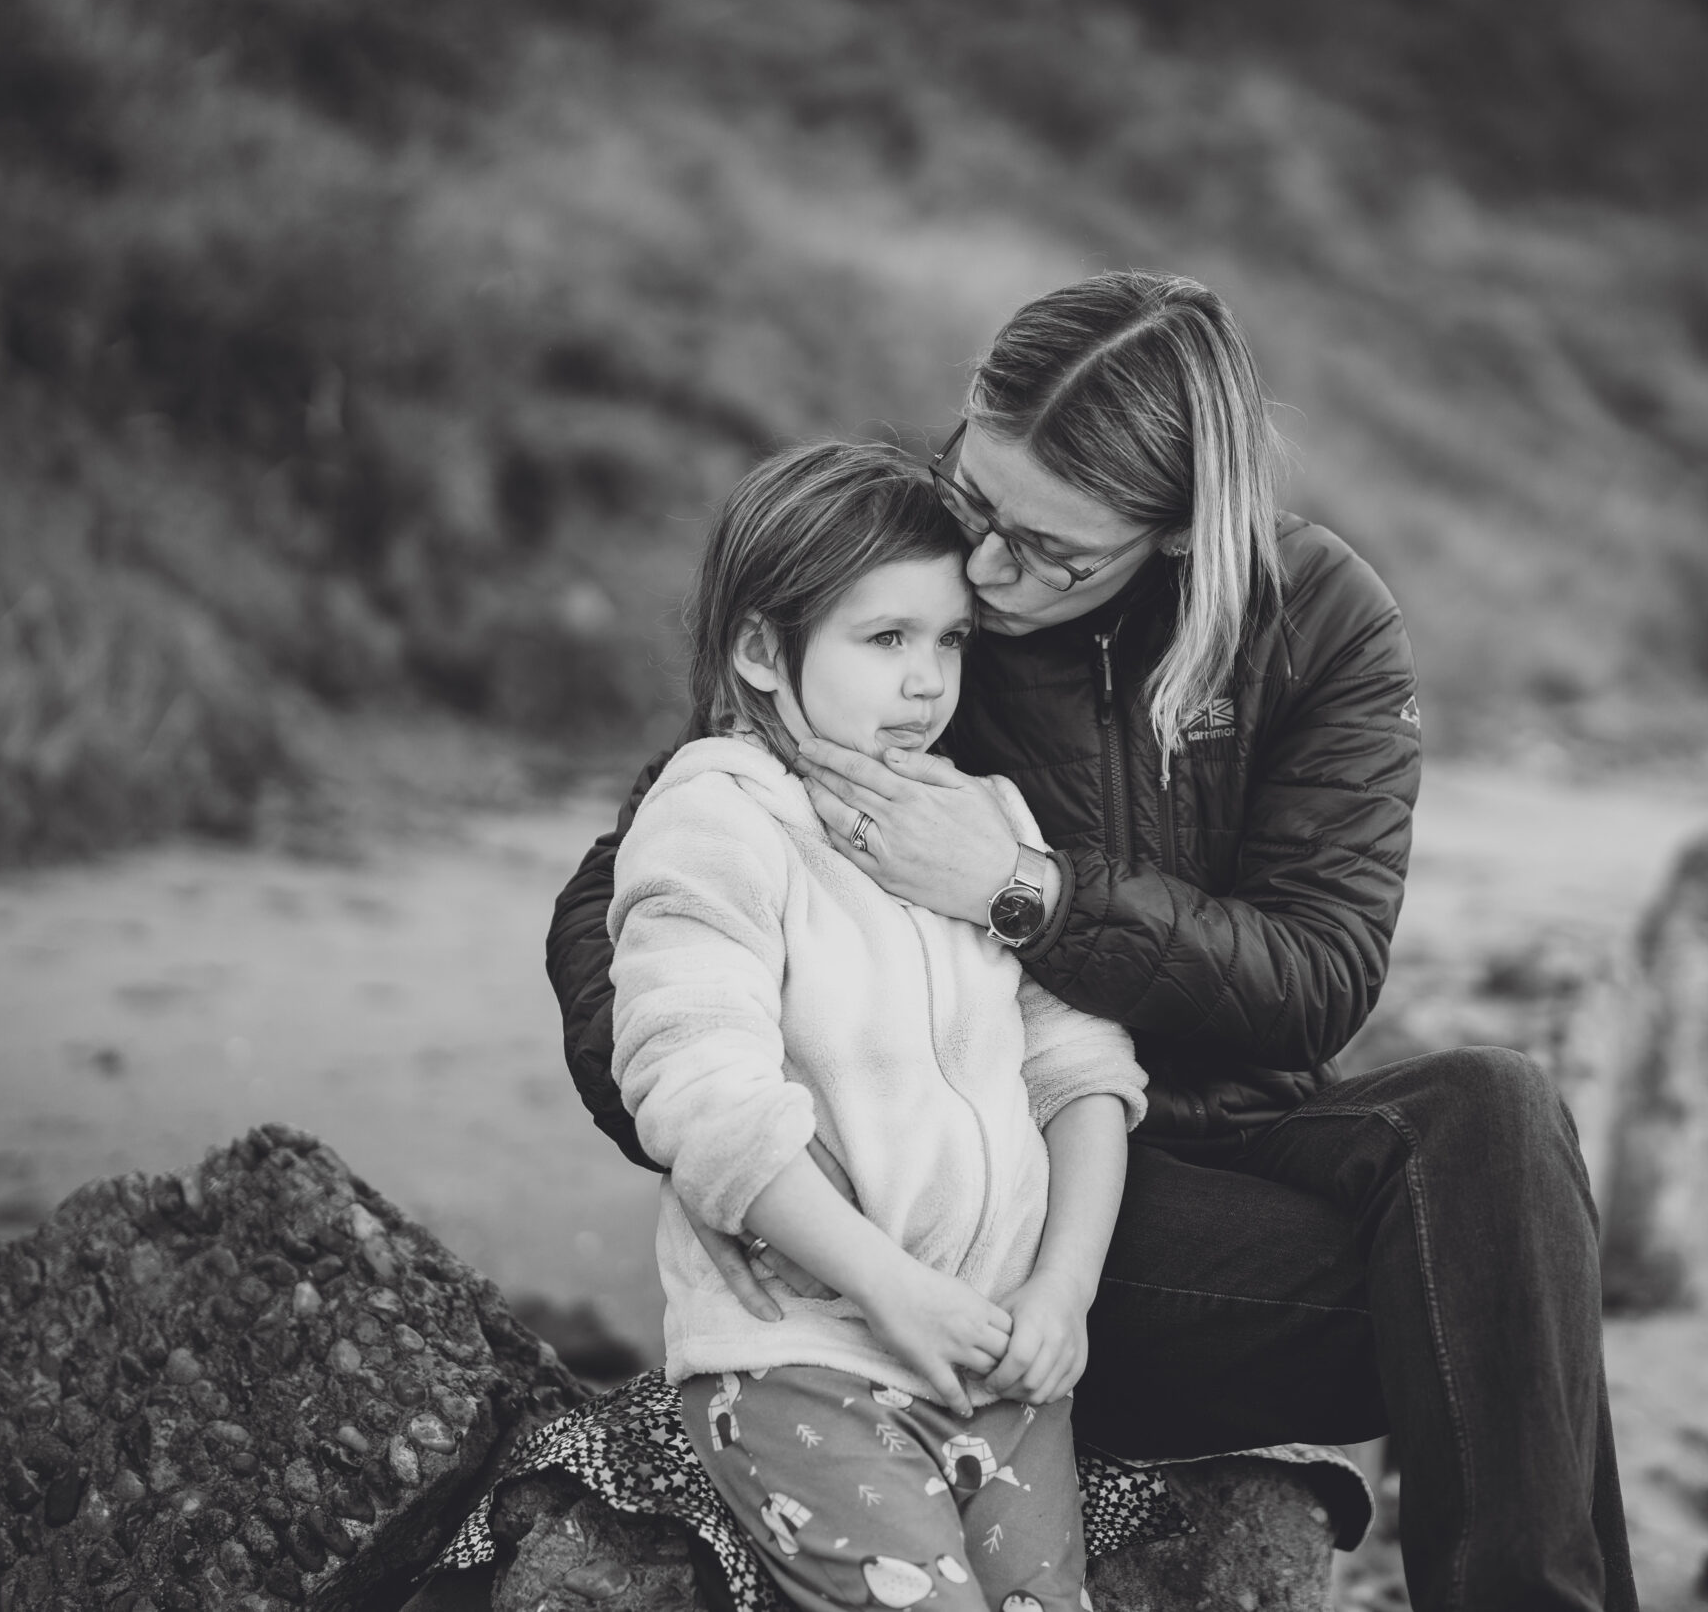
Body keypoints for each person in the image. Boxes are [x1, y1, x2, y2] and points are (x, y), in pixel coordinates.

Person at [552, 271, 1642, 1611]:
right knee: (1516, 1325)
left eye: (1053, 550)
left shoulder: (1319, 621)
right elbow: (635, 898)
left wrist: (1027, 890)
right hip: (983, 1225)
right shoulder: (913, 617)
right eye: (976, 500)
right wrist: (783, 1182)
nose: (992, 573)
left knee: (1496, 1115)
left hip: (1212, 1174)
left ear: (1179, 535)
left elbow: (1314, 980)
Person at [607, 440, 1147, 1612]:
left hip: (996, 1358)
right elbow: (699, 1088)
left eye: (949, 639)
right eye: (884, 639)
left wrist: (1063, 1292)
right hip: (806, 1355)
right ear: (761, 648)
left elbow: (1081, 1067)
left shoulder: (984, 816)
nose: (928, 682)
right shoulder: (717, 817)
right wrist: (886, 1286)